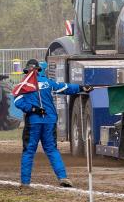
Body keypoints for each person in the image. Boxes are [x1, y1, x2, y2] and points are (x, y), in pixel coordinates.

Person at [14, 59, 93, 187]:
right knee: (52, 150)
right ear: (40, 70)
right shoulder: (48, 82)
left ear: (27, 70)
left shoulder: (24, 85)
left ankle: (25, 182)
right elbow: (64, 87)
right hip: (49, 121)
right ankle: (62, 177)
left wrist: (32, 109)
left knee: (29, 151)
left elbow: (17, 102)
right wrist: (81, 87)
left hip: (33, 122)